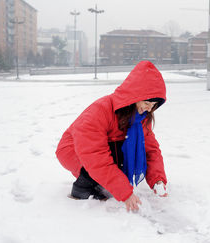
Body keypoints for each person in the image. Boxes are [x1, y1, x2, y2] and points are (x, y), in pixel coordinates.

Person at [55, 60, 168, 212]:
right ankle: (81, 189)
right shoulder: (100, 111)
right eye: (147, 102)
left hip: (105, 148)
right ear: (135, 96)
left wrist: (158, 179)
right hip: (73, 149)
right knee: (102, 170)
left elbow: (150, 149)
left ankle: (99, 183)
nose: (149, 108)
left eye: (154, 105)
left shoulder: (140, 117)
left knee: (126, 152)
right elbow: (95, 156)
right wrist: (124, 192)